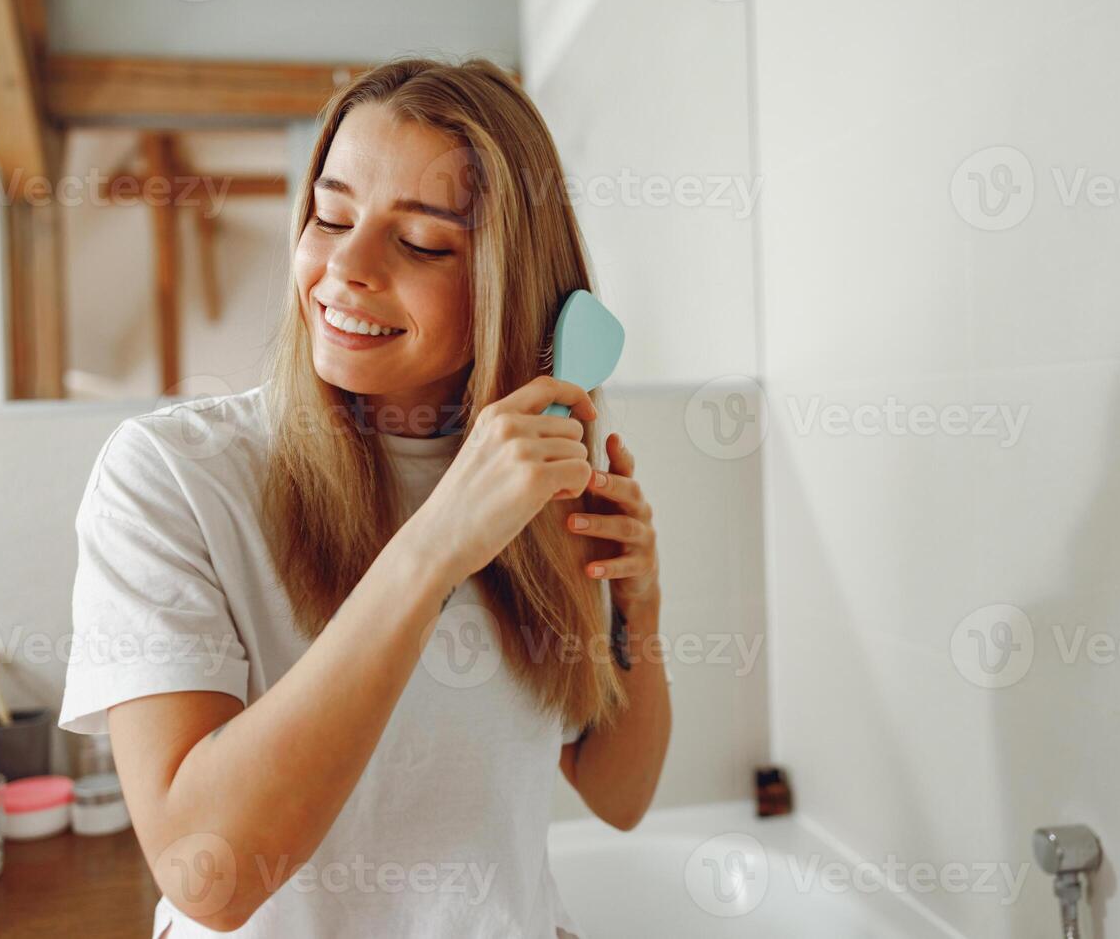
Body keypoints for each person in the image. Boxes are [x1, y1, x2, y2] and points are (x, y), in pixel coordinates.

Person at [58, 56, 672, 938]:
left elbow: (620, 798)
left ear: (512, 282)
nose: (343, 267)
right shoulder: (168, 478)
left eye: (420, 243)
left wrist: (637, 613)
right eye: (330, 215)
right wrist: (434, 548)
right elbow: (210, 878)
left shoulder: (533, 478)